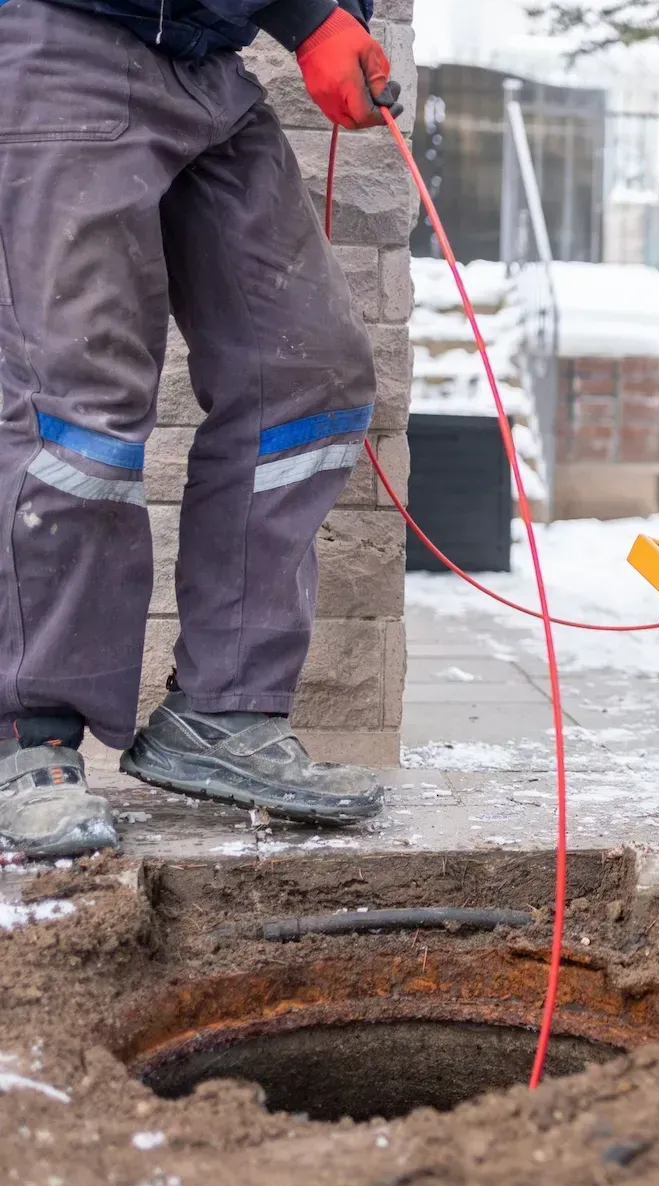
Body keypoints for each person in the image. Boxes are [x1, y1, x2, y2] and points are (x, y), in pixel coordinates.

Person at [0, 0, 404, 858]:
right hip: (66, 35)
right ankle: (23, 740)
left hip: (207, 65)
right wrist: (308, 17)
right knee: (79, 405)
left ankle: (223, 711)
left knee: (308, 374)